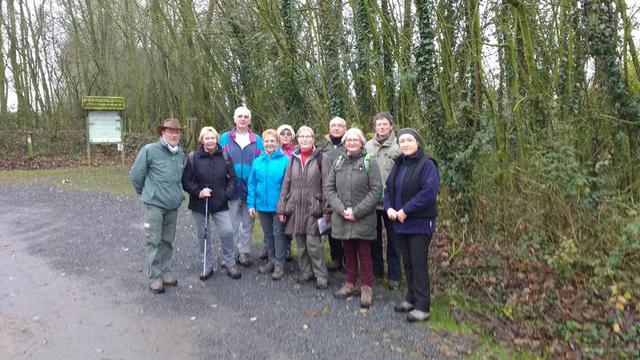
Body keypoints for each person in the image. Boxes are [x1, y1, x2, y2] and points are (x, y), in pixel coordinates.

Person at [384, 128, 440, 322]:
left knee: (418, 263)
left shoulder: (427, 165)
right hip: (400, 222)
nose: (406, 144)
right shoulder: (398, 164)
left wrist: (405, 210)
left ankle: (423, 306)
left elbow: (428, 193)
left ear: (418, 143)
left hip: (420, 223)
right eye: (402, 141)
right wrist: (389, 207)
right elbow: (388, 189)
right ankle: (411, 298)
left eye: (409, 140)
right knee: (407, 262)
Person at [324, 128, 382, 308]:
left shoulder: (369, 161)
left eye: (355, 140)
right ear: (344, 143)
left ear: (362, 143)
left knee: (364, 253)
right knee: (348, 251)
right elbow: (329, 188)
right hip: (342, 216)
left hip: (362, 217)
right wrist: (342, 210)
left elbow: (376, 191)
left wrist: (356, 211)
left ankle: (366, 287)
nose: (351, 143)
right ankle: (350, 283)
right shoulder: (338, 162)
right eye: (348, 140)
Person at [129, 118, 185, 294]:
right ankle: (154, 277)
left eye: (177, 132)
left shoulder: (179, 152)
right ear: (162, 133)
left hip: (172, 204)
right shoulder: (149, 150)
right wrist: (148, 193)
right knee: (153, 240)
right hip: (154, 205)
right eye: (170, 131)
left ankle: (165, 271)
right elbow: (135, 176)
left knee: (167, 240)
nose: (174, 134)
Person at [182, 127, 242, 280]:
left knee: (228, 231)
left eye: (212, 138)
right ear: (202, 140)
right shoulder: (193, 157)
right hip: (199, 204)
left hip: (220, 203)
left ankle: (229, 262)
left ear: (217, 139)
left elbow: (233, 180)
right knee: (203, 235)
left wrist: (226, 194)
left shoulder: (224, 156)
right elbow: (186, 181)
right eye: (206, 138)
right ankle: (207, 264)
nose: (210, 141)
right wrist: (198, 191)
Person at [277, 126, 329, 289]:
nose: (305, 139)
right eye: (302, 137)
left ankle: (321, 275)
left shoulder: (322, 158)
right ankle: (306, 272)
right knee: (300, 242)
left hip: (314, 206)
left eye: (308, 136)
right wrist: (282, 207)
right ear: (297, 139)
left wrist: (327, 208)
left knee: (313, 243)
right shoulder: (293, 158)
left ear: (313, 139)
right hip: (295, 207)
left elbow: (327, 184)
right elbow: (286, 183)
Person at [219, 106, 264, 267]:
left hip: (251, 188)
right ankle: (229, 254)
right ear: (234, 119)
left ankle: (244, 252)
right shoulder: (224, 138)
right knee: (231, 224)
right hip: (231, 187)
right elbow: (217, 161)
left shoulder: (258, 140)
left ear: (250, 120)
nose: (243, 119)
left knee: (248, 223)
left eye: (246, 116)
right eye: (240, 116)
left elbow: (262, 164)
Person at [364, 112, 402, 289]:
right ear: (375, 127)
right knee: (374, 238)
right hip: (372, 200)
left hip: (393, 201)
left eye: (385, 124)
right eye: (378, 124)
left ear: (391, 126)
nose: (381, 127)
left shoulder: (399, 145)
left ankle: (394, 275)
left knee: (394, 240)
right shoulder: (367, 146)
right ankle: (377, 271)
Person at [248, 129, 290, 280]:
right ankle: (271, 260)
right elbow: (252, 184)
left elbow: (288, 186)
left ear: (278, 143)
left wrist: (284, 207)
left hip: (278, 207)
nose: (269, 144)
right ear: (263, 143)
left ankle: (279, 264)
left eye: (272, 141)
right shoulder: (257, 161)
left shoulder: (285, 161)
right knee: (268, 235)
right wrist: (251, 204)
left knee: (279, 234)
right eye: (266, 141)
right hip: (262, 205)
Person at [319, 116, 347, 272]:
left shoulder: (351, 144)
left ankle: (349, 261)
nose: (336, 128)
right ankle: (336, 258)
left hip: (348, 191)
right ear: (329, 128)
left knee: (349, 228)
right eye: (333, 125)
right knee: (332, 227)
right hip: (328, 191)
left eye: (339, 125)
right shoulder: (323, 147)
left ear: (345, 128)